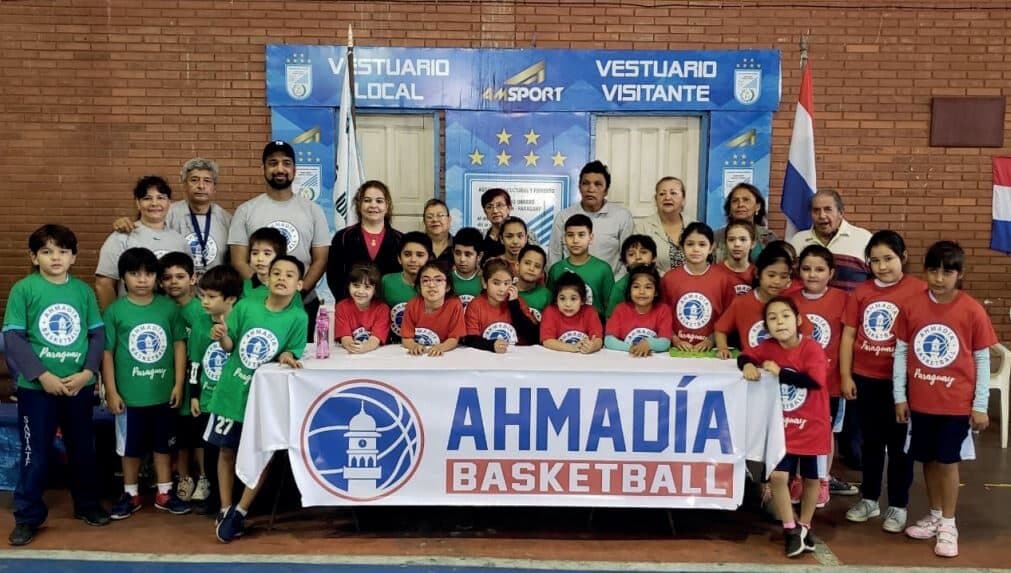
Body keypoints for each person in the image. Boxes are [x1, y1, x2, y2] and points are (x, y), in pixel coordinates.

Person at [4, 225, 110, 546]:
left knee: (83, 449)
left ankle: (87, 504)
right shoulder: (24, 289)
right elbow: (13, 337)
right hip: (37, 391)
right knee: (34, 453)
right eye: (47, 251)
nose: (55, 258)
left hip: (78, 387)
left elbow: (97, 334)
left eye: (63, 251)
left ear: (73, 257)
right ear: (33, 257)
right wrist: (42, 376)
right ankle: (27, 515)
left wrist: (88, 373)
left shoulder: (82, 291)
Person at [894, 241, 996, 558]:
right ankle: (935, 514)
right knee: (927, 459)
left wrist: (980, 404)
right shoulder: (911, 306)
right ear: (925, 271)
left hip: (956, 405)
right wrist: (899, 396)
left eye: (947, 272)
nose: (939, 278)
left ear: (959, 274)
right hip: (921, 403)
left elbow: (982, 360)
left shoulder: (972, 310)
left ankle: (949, 524)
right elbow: (901, 353)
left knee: (948, 462)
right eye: (933, 271)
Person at [208, 255, 308, 543]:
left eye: (289, 275)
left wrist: (287, 356)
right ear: (267, 278)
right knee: (226, 451)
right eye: (276, 272)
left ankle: (241, 511)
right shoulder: (246, 306)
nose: (281, 278)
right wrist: (221, 336)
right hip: (232, 391)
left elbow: (291, 350)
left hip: (264, 398)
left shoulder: (298, 317)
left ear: (299, 285)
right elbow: (230, 346)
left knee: (262, 452)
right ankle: (225, 508)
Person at [840, 230, 925, 533]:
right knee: (871, 443)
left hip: (901, 386)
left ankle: (898, 505)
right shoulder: (861, 292)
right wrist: (846, 375)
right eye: (875, 260)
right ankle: (869, 499)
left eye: (888, 258)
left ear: (904, 257)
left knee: (900, 447)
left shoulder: (919, 290)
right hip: (865, 379)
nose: (882, 266)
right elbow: (849, 334)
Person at [102, 247, 190, 519]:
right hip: (129, 397)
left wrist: (178, 383)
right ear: (123, 278)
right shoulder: (115, 311)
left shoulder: (168, 308)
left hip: (163, 393)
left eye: (149, 274)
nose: (142, 280)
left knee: (164, 445)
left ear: (156, 278)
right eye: (134, 274)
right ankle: (130, 493)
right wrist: (111, 391)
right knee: (129, 448)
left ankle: (165, 492)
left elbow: (179, 345)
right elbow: (107, 353)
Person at [739, 296, 830, 558]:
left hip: (812, 425)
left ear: (798, 320)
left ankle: (805, 525)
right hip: (784, 428)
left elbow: (815, 380)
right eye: (773, 318)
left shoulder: (811, 348)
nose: (780, 322)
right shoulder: (768, 347)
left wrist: (781, 372)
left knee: (811, 479)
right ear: (766, 326)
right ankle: (790, 528)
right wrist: (747, 364)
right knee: (778, 476)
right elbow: (746, 355)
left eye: (785, 316)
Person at [228, 141, 332, 334]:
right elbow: (238, 260)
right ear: (263, 169)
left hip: (302, 301)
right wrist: (266, 292)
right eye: (273, 163)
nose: (280, 169)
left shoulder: (313, 210)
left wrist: (298, 291)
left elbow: (321, 259)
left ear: (294, 170)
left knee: (299, 352)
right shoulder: (245, 211)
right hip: (257, 302)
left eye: (286, 163)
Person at [790, 246, 855, 506]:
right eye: (806, 269)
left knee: (825, 431)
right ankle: (798, 478)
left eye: (819, 269)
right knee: (797, 427)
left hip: (831, 382)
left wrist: (846, 375)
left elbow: (848, 339)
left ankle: (822, 479)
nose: (812, 274)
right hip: (797, 383)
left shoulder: (844, 299)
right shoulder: (790, 299)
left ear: (831, 273)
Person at [187, 265, 244, 516]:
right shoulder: (200, 323)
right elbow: (195, 361)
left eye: (211, 297)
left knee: (233, 450)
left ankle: (237, 500)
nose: (204, 302)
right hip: (208, 399)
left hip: (234, 400)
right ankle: (215, 499)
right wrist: (194, 395)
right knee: (210, 450)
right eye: (202, 296)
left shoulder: (241, 321)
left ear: (230, 299)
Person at [112, 159, 233, 275]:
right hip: (174, 286)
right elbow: (144, 228)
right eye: (194, 180)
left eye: (207, 181)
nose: (201, 186)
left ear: (214, 187)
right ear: (184, 185)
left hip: (214, 287)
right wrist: (123, 223)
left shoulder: (227, 220)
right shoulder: (165, 212)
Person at [157, 252, 208, 504]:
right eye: (167, 277)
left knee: (197, 433)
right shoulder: (160, 309)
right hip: (168, 380)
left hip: (196, 381)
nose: (173, 282)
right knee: (179, 435)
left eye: (180, 276)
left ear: (193, 278)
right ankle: (184, 477)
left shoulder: (201, 309)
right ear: (160, 282)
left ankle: (204, 478)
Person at [95, 176, 189, 310]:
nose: (154, 203)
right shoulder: (121, 237)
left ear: (169, 203)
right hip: (132, 318)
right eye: (147, 198)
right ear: (138, 203)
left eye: (160, 198)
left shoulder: (179, 241)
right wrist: (113, 316)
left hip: (171, 317)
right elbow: (104, 283)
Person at [715, 245, 804, 358]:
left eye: (783, 276)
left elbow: (804, 337)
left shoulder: (791, 303)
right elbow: (721, 329)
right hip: (750, 365)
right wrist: (723, 348)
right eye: (771, 275)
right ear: (757, 273)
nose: (777, 281)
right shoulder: (741, 302)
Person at [549, 161, 634, 277]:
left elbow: (629, 258)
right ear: (579, 188)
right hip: (569, 286)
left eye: (598, 184)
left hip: (610, 285)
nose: (591, 189)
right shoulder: (563, 217)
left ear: (606, 190)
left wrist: (613, 285)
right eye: (586, 183)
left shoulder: (622, 217)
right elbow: (554, 257)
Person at [326, 180, 404, 303]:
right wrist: (349, 304)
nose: (373, 205)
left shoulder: (400, 239)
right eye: (367, 200)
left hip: (389, 307)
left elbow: (403, 277)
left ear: (387, 206)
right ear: (359, 204)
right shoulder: (343, 237)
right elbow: (334, 276)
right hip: (351, 307)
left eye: (379, 201)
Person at [662, 222, 734, 353]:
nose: (696, 249)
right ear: (682, 246)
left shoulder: (723, 279)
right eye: (690, 244)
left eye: (702, 244)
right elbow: (661, 315)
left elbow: (729, 316)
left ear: (711, 247)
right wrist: (675, 339)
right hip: (675, 349)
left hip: (713, 350)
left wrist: (712, 339)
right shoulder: (669, 278)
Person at [789, 189, 873, 292]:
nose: (822, 215)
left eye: (828, 209)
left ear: (841, 212)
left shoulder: (863, 238)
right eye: (816, 210)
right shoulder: (798, 240)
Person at [462, 258, 539, 352]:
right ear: (484, 283)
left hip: (516, 356)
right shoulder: (475, 305)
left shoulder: (517, 302)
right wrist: (491, 345)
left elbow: (533, 337)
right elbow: (470, 339)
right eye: (496, 283)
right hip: (486, 357)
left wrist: (514, 307)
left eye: (507, 283)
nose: (502, 289)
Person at [547, 214, 615, 318]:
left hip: (595, 326)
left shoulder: (603, 269)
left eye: (581, 235)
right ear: (564, 238)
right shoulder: (556, 269)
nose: (575, 240)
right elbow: (551, 306)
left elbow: (610, 308)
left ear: (591, 238)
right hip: (563, 326)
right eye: (570, 235)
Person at [604, 265, 672, 357]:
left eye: (648, 287)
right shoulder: (621, 309)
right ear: (629, 290)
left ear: (656, 292)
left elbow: (665, 343)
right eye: (636, 287)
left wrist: (648, 344)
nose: (641, 292)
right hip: (626, 360)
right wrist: (631, 348)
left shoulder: (663, 310)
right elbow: (609, 340)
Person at [401, 261, 465, 357]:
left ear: (447, 286)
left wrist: (441, 347)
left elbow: (454, 338)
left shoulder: (455, 305)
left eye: (438, 280)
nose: (431, 285)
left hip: (444, 356)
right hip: (419, 356)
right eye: (426, 280)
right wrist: (414, 346)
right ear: (419, 286)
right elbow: (406, 338)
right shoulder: (412, 305)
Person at [633, 176, 694, 274]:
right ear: (656, 199)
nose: (667, 197)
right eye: (662, 194)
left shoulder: (695, 226)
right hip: (656, 282)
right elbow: (638, 263)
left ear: (683, 199)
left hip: (693, 282)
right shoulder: (642, 228)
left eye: (673, 193)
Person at [382, 231, 432, 341]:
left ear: (429, 258)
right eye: (407, 254)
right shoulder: (386, 281)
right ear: (399, 258)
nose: (413, 260)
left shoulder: (435, 285)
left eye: (420, 255)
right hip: (392, 343)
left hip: (425, 342)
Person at [540, 272, 604, 354]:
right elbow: (547, 341)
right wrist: (572, 347)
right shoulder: (550, 312)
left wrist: (593, 346)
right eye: (562, 298)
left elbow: (598, 340)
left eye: (573, 299)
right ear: (556, 300)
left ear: (582, 300)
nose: (568, 304)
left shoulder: (590, 312)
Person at [713, 183, 777, 264]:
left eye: (746, 200)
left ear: (757, 206)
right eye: (735, 201)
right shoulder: (716, 236)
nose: (740, 205)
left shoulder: (769, 237)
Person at [334, 264, 390, 355]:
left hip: (375, 354)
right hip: (350, 354)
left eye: (367, 287)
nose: (360, 291)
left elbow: (375, 339)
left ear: (375, 290)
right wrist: (353, 347)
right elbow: (345, 337)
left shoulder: (382, 309)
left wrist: (364, 348)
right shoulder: (341, 307)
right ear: (348, 286)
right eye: (356, 285)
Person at [606, 235, 657, 318]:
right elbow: (611, 317)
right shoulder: (619, 288)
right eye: (631, 254)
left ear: (654, 257)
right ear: (625, 262)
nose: (638, 257)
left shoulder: (662, 283)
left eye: (643, 252)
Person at [243, 227, 288, 298]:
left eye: (267, 254)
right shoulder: (242, 287)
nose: (260, 259)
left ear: (280, 256)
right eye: (255, 253)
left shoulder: (289, 288)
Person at [719, 220, 756, 296]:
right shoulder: (714, 272)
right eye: (731, 239)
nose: (737, 244)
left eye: (743, 239)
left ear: (752, 244)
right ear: (725, 243)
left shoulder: (758, 274)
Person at [450, 227, 484, 309]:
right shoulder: (445, 279)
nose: (462, 259)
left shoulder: (485, 281)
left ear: (479, 256)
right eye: (457, 253)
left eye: (468, 254)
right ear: (452, 252)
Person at [516, 245, 551, 321]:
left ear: (542, 273)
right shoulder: (507, 292)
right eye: (527, 263)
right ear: (517, 266)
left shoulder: (546, 295)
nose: (531, 268)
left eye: (537, 266)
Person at [479, 188, 512, 258]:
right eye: (489, 207)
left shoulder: (525, 234)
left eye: (499, 205)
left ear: (509, 208)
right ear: (485, 212)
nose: (495, 211)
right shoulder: (481, 239)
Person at [423, 198, 454, 264]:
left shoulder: (458, 245)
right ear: (424, 221)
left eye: (440, 215)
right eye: (429, 217)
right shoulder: (417, 245)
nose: (435, 220)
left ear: (449, 220)